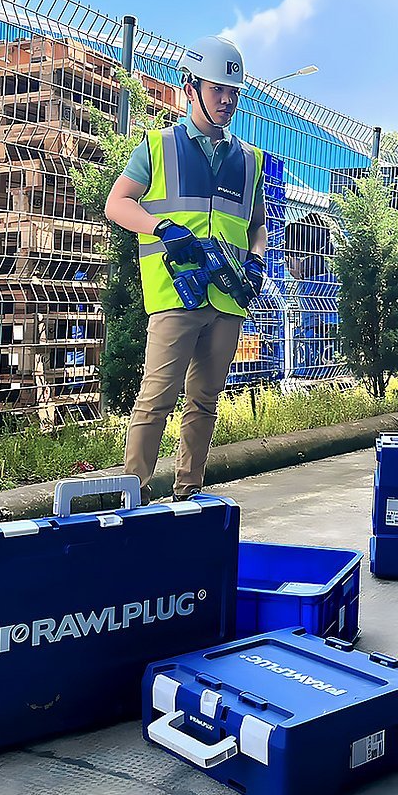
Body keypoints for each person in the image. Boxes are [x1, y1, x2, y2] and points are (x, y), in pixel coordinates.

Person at [105, 35, 268, 503]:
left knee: (203, 403)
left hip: (228, 296)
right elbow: (119, 204)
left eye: (233, 91)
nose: (226, 99)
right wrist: (161, 228)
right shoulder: (156, 147)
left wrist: (257, 259)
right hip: (176, 293)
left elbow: (257, 225)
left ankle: (188, 496)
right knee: (156, 400)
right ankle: (132, 500)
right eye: (216, 88)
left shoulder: (249, 160)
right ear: (190, 86)